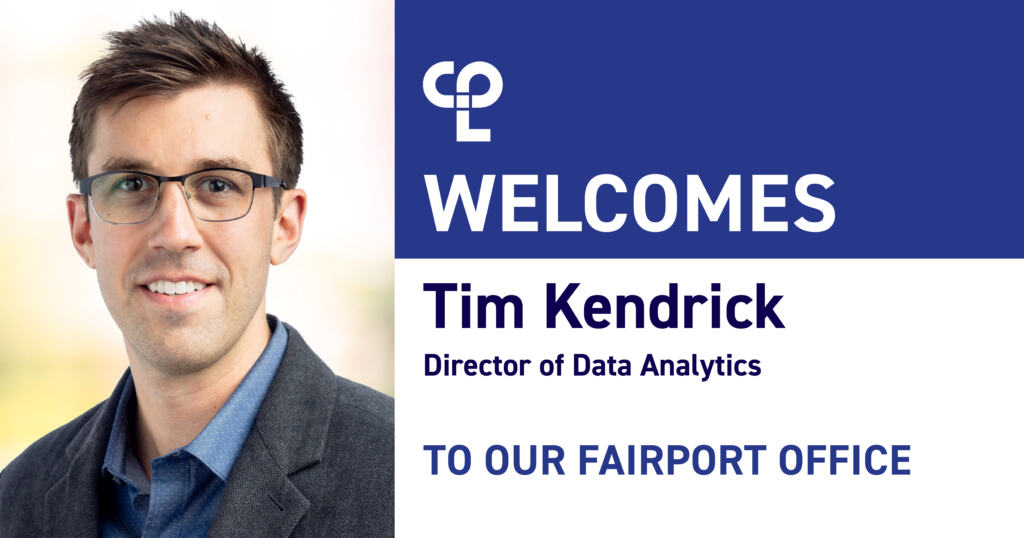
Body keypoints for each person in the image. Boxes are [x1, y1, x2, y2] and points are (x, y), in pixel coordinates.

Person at [0, 12, 393, 537]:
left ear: (285, 224)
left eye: (218, 185)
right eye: (132, 183)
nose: (175, 232)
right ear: (83, 229)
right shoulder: (17, 501)